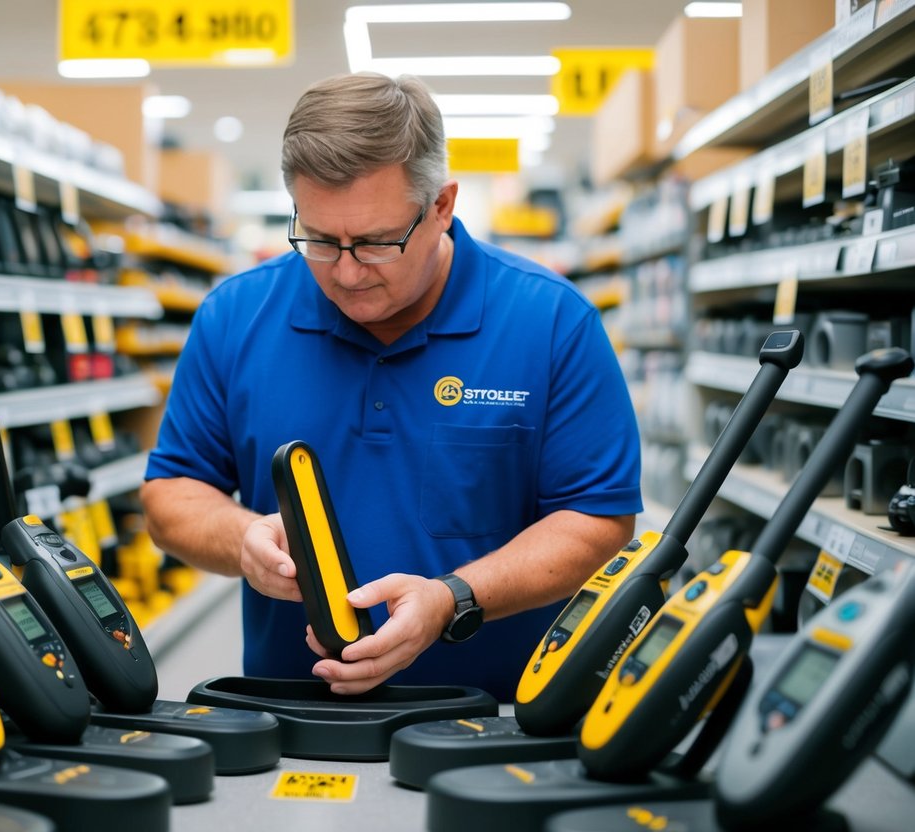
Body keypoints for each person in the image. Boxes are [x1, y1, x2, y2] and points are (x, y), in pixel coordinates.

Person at [140, 72, 641, 700]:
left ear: (442, 206)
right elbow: (171, 494)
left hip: (493, 725)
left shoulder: (551, 322)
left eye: (376, 243)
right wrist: (240, 538)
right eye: (320, 240)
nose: (346, 273)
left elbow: (597, 519)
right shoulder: (234, 317)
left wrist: (452, 599)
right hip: (288, 719)